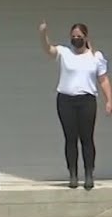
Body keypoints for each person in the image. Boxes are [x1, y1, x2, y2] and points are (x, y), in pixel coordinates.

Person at [39, 21, 111, 190]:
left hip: (87, 101)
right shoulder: (65, 52)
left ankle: (88, 174)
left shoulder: (95, 57)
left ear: (85, 37)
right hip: (66, 100)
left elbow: (104, 79)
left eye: (79, 37)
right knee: (70, 139)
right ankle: (73, 174)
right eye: (73, 37)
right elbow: (48, 49)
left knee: (87, 138)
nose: (76, 39)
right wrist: (43, 35)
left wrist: (109, 100)